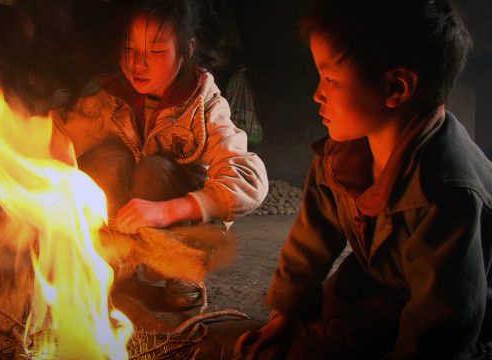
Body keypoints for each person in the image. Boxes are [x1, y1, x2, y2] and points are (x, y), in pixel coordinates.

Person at [234, 0, 492, 359]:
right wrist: (286, 314)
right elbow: (312, 239)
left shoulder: (446, 190)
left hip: (460, 295)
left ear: (396, 88)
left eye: (330, 79)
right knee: (331, 311)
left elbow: (445, 312)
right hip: (384, 277)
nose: (317, 94)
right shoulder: (341, 154)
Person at [52, 0, 268, 309]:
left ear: (187, 49)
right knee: (106, 160)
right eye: (129, 50)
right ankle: (116, 261)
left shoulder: (204, 105)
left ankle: (182, 271)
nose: (138, 64)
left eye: (155, 52)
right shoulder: (110, 99)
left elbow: (249, 178)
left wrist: (170, 210)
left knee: (153, 169)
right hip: (124, 225)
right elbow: (58, 135)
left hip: (180, 232)